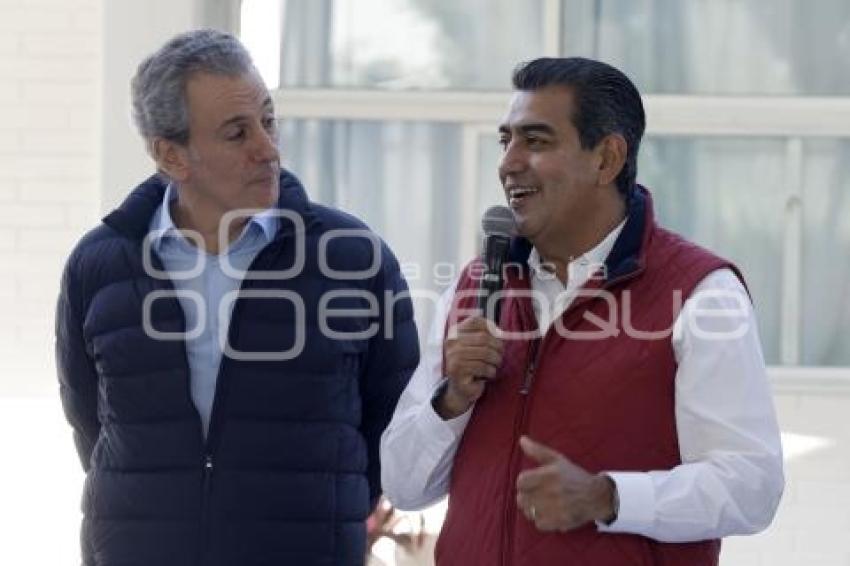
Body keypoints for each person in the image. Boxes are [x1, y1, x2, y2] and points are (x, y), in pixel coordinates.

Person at [380, 57, 784, 565]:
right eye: (506, 141)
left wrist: (608, 497)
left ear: (606, 159)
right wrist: (452, 399)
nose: (509, 163)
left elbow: (751, 485)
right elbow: (403, 486)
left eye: (536, 140)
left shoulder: (701, 293)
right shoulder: (471, 290)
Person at [55, 29, 418, 566]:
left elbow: (394, 420)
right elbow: (92, 423)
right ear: (171, 155)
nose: (268, 149)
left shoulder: (353, 257)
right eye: (237, 133)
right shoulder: (98, 265)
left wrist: (319, 513)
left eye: (268, 121)